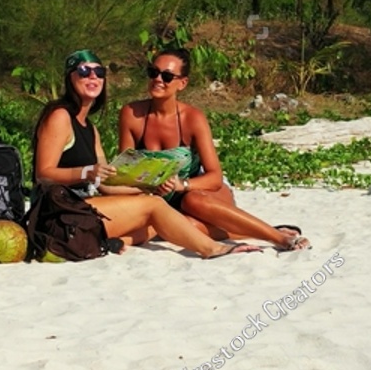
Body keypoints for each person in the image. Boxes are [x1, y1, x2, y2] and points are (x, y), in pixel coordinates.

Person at [32, 50, 262, 259]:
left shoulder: (90, 128)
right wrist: (86, 172)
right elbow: (43, 174)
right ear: (70, 77)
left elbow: (107, 185)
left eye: (99, 72)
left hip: (82, 208)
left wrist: (152, 186)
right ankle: (212, 248)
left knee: (153, 212)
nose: (93, 77)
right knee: (154, 208)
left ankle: (265, 233)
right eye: (84, 71)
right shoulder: (59, 116)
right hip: (57, 213)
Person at [116, 48, 310, 251]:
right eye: (153, 72)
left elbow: (215, 177)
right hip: (156, 197)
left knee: (192, 201)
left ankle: (278, 238)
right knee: (184, 226)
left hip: (200, 190)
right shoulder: (131, 114)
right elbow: (126, 172)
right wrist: (150, 186)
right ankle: (262, 229)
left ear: (182, 83)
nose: (158, 79)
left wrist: (181, 184)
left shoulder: (193, 118)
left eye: (167, 76)